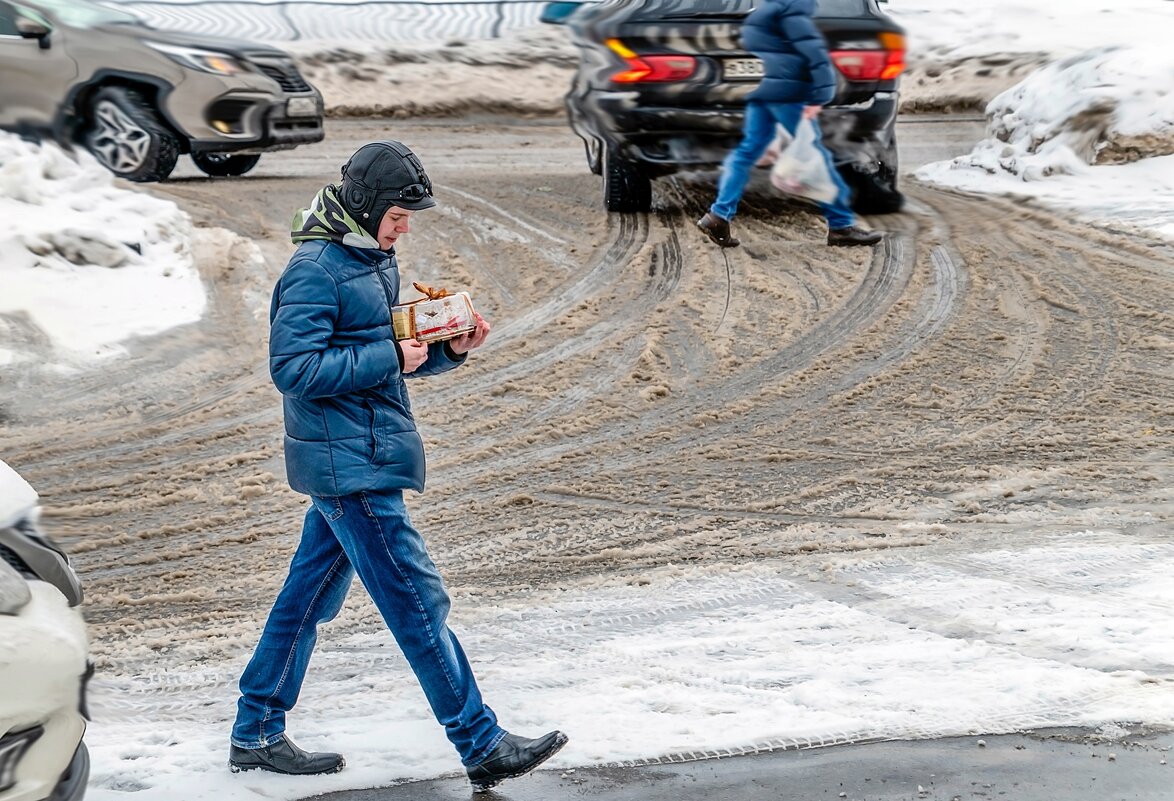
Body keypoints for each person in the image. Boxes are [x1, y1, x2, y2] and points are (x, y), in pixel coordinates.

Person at [228, 140, 567, 793]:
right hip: (350, 467)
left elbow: (388, 362)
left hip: (361, 454)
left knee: (307, 598)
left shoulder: (370, 258)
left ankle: (256, 730)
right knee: (418, 601)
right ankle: (480, 739)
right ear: (364, 203)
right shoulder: (315, 270)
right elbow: (293, 371)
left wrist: (448, 349)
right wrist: (393, 356)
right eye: (400, 211)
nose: (407, 223)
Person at [697, 0, 883, 249]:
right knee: (816, 157)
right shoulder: (794, 13)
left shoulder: (762, 13)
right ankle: (841, 226)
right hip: (789, 96)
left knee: (747, 152)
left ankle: (718, 216)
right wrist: (820, 96)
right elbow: (817, 57)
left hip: (766, 92)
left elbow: (755, 44)